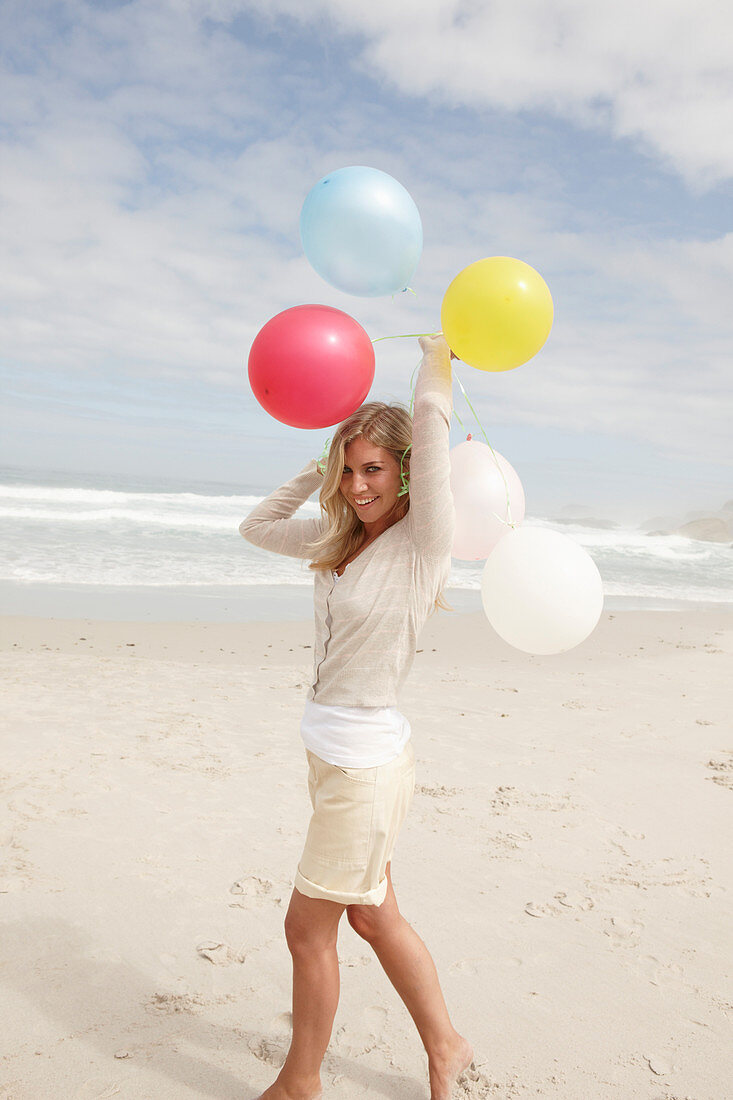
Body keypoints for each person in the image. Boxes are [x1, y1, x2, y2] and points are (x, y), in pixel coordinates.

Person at [239, 334, 473, 1100]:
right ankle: (447, 1047)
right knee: (373, 919)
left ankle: (299, 1082)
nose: (358, 483)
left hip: (365, 770)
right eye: (348, 468)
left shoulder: (420, 544)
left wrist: (436, 359)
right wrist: (316, 469)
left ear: (406, 470)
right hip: (331, 759)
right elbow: (257, 527)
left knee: (308, 931)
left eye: (372, 468)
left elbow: (431, 421)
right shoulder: (337, 537)